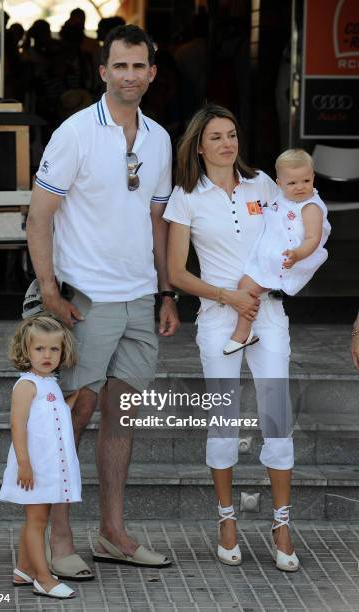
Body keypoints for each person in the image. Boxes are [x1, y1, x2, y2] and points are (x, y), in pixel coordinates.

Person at [26, 24, 180, 577]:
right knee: (76, 411)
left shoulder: (160, 138)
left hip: (140, 295)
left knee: (124, 414)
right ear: (103, 71)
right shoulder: (74, 132)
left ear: (152, 72)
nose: (130, 75)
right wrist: (49, 292)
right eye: (120, 66)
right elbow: (38, 217)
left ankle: (112, 533)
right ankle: (58, 536)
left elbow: (158, 220)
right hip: (85, 297)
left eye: (139, 66)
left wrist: (165, 292)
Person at [164, 104, 299, 571]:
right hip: (219, 316)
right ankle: (226, 519)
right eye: (216, 137)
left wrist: (264, 285)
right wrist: (229, 296)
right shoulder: (186, 196)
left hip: (269, 312)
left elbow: (294, 228)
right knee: (223, 419)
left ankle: (282, 524)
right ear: (199, 145)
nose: (227, 143)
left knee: (276, 415)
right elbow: (176, 271)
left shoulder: (264, 184)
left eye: (232, 134)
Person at [0, 314, 81, 599]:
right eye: (39, 349)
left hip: (47, 465)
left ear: (62, 351)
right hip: (33, 466)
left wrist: (71, 401)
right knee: (36, 521)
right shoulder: (26, 385)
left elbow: (52, 415)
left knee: (37, 517)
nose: (47, 355)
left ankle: (24, 569)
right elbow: (17, 425)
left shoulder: (50, 384)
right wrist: (24, 464)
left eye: (53, 349)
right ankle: (43, 578)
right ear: (25, 351)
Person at [224, 148, 331, 355]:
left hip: (290, 259)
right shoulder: (280, 197)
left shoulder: (310, 207)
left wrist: (297, 254)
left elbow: (313, 238)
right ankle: (249, 326)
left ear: (313, 178)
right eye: (292, 183)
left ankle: (242, 332)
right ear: (279, 183)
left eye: (306, 181)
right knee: (245, 286)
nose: (300, 187)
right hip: (271, 253)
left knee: (247, 288)